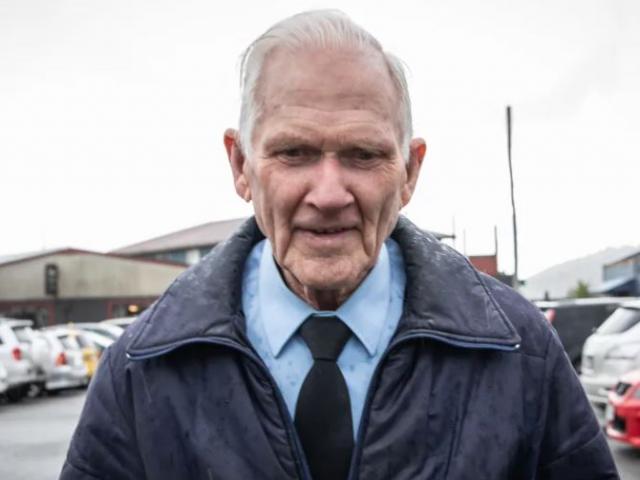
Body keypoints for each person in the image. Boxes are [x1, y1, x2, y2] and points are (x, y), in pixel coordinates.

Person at [60, 10, 618, 480]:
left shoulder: (520, 353)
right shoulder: (142, 370)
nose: (328, 195)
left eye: (363, 155)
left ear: (409, 172)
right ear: (241, 166)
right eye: (294, 153)